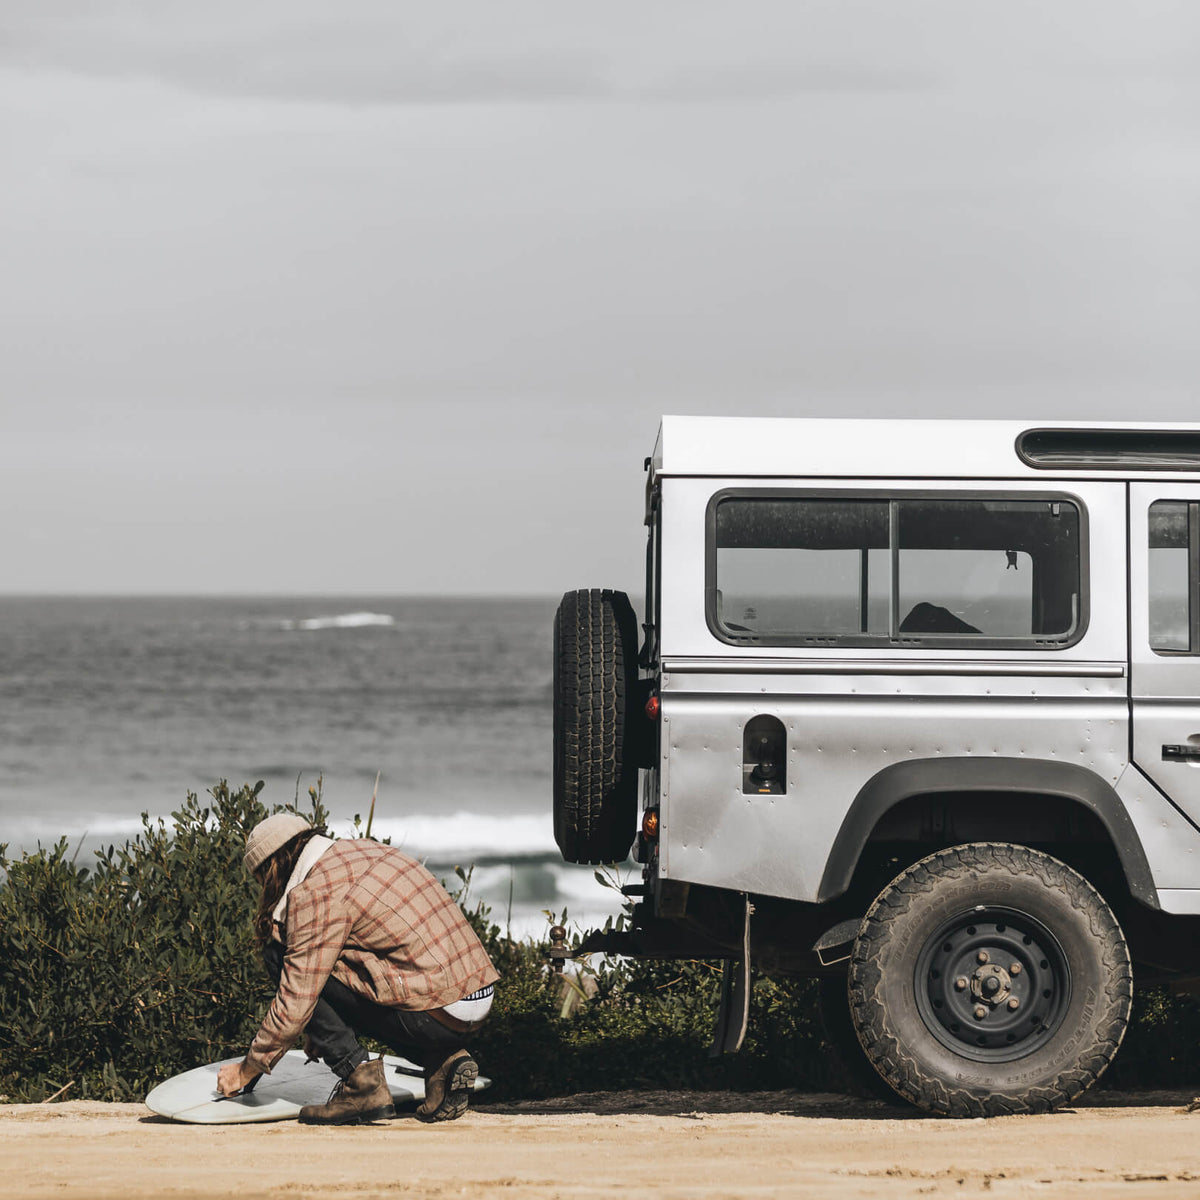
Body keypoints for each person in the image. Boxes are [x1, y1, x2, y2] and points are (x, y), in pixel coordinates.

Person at [216, 812, 499, 1125]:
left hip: (435, 1012)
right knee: (317, 966)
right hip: (476, 997)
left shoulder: (315, 892)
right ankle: (443, 1060)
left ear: (271, 869)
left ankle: (360, 1086)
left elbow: (296, 1001)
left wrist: (247, 1069)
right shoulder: (364, 850)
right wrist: (321, 1027)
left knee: (279, 952)